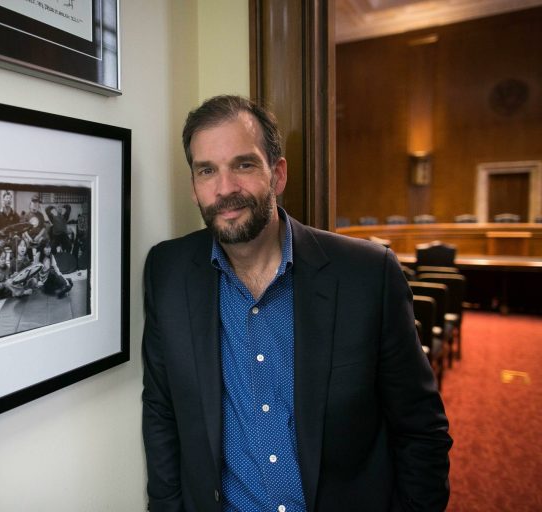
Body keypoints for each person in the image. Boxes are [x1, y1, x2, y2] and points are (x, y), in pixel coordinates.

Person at [141, 95, 452, 512]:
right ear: (195, 188)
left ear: (278, 174)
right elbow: (161, 409)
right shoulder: (167, 271)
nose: (225, 188)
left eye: (244, 165)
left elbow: (420, 429)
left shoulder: (367, 275)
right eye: (207, 170)